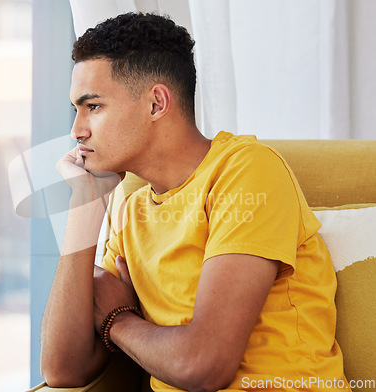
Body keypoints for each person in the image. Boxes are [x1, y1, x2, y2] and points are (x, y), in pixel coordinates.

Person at [39, 12, 350, 392]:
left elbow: (204, 365)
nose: (76, 130)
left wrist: (117, 320)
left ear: (156, 103)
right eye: (76, 109)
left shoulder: (246, 172)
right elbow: (62, 371)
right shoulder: (129, 211)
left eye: (94, 106)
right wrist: (83, 209)